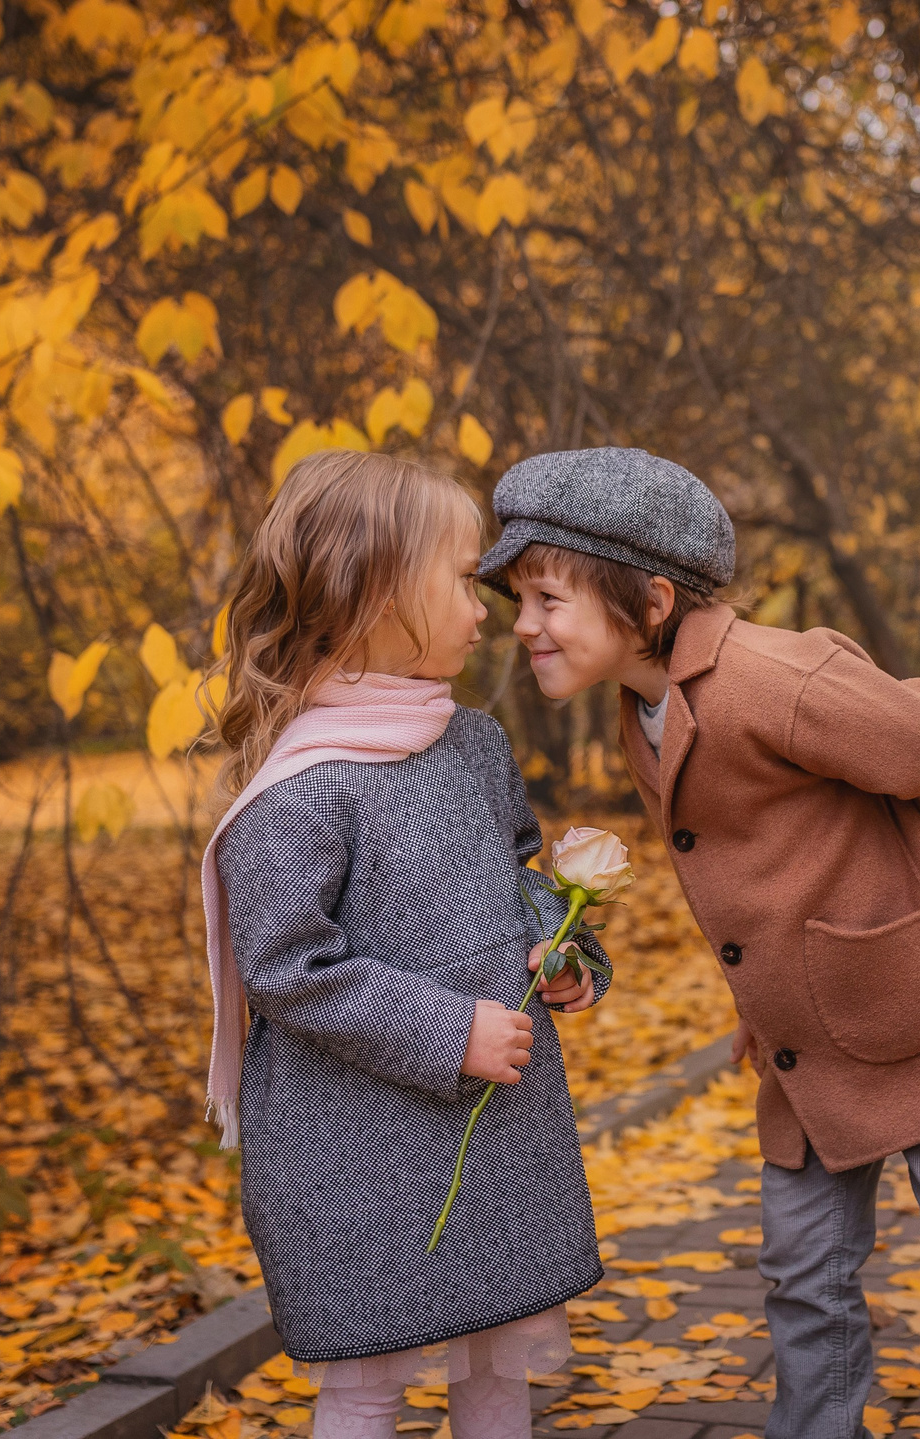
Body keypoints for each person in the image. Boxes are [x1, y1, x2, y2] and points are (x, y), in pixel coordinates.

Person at [478, 448, 920, 1439]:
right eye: (520, 598)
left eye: (548, 597)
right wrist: (762, 996)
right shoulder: (636, 715)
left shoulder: (772, 676)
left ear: (648, 600)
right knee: (802, 1270)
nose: (524, 624)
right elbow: (755, 868)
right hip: (807, 1044)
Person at [204, 450, 606, 1439]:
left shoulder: (473, 743)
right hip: (355, 1139)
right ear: (372, 589)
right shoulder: (302, 786)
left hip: (490, 1131)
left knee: (495, 1360)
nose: (488, 611)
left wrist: (561, 951)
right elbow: (286, 966)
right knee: (366, 1376)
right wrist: (443, 1030)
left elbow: (518, 874)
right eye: (464, 581)